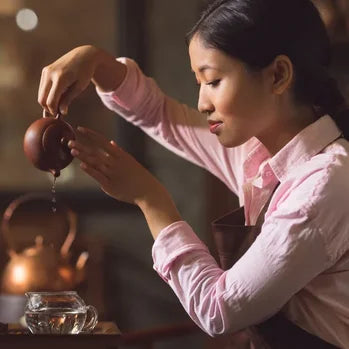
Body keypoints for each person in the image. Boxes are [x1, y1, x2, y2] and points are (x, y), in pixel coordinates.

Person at [38, 0, 349, 347]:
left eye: (213, 80)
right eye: (198, 82)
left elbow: (220, 309)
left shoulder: (323, 187)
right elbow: (157, 114)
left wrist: (150, 199)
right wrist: (94, 60)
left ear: (277, 75)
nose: (202, 103)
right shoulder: (258, 158)